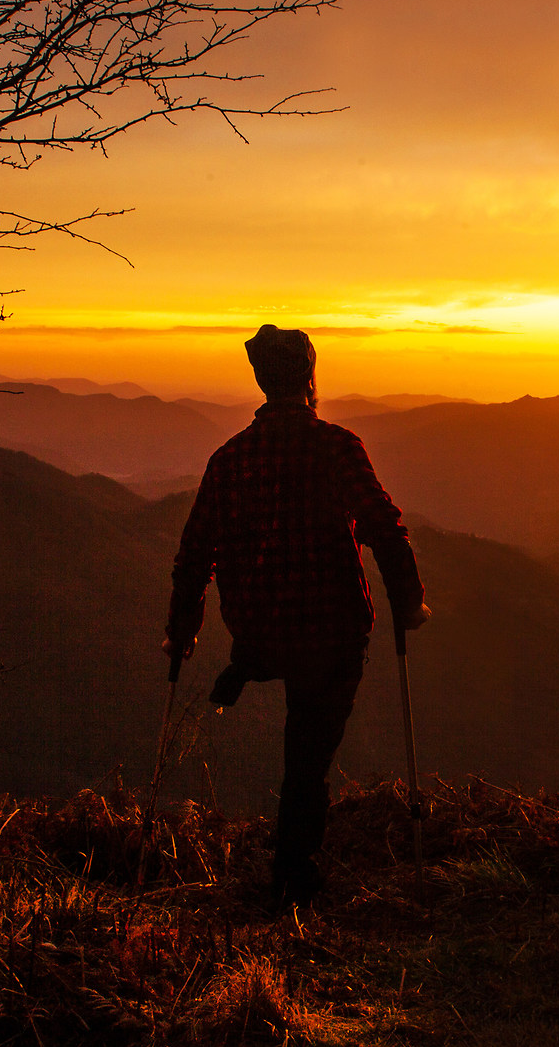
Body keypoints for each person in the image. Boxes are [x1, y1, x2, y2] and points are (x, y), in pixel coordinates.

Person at [165, 325, 427, 906]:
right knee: (308, 753)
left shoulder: (229, 459)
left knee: (278, 659)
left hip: (258, 625)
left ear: (261, 379)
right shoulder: (335, 447)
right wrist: (409, 602)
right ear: (310, 378)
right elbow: (384, 526)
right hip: (331, 631)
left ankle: (248, 664)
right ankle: (293, 873)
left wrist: (181, 633)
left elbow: (195, 554)